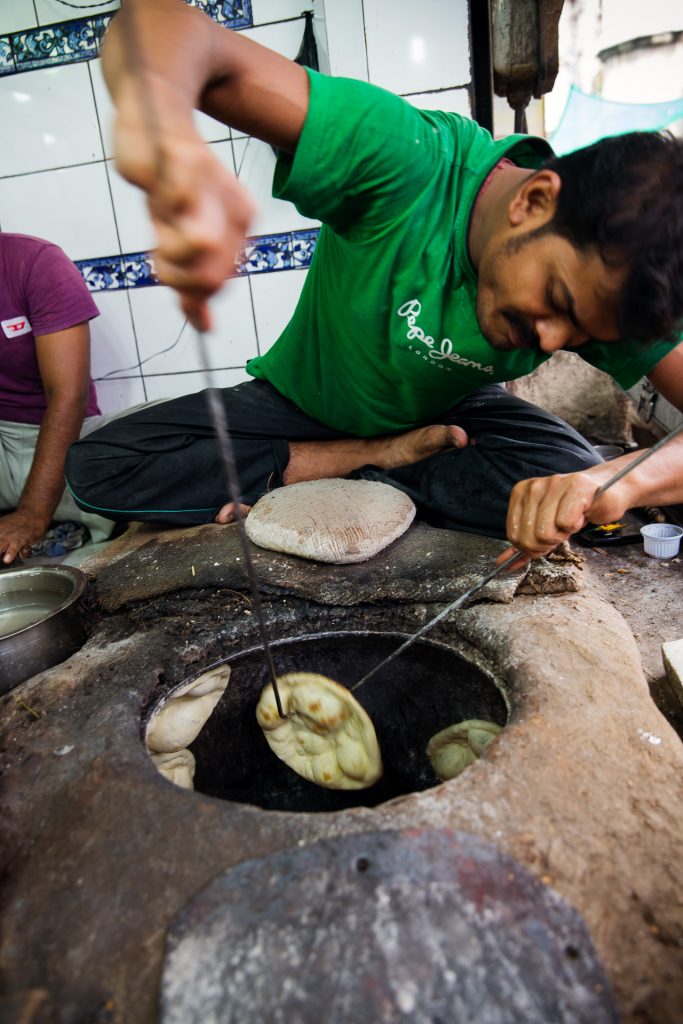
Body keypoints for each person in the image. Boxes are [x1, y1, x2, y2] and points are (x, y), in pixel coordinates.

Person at [65, 0, 683, 565]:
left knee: (566, 475)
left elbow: (598, 474)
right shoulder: (405, 159)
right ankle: (367, 463)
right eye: (555, 303)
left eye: (577, 334)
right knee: (101, 466)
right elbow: (146, 27)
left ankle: (359, 483)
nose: (551, 343)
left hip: (446, 417)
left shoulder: (614, 283)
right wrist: (170, 139)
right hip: (298, 407)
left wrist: (620, 482)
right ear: (536, 199)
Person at [0, 232, 116, 565]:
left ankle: (53, 514)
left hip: (57, 437)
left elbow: (68, 394)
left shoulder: (36, 263)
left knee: (158, 428)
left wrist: (31, 515)